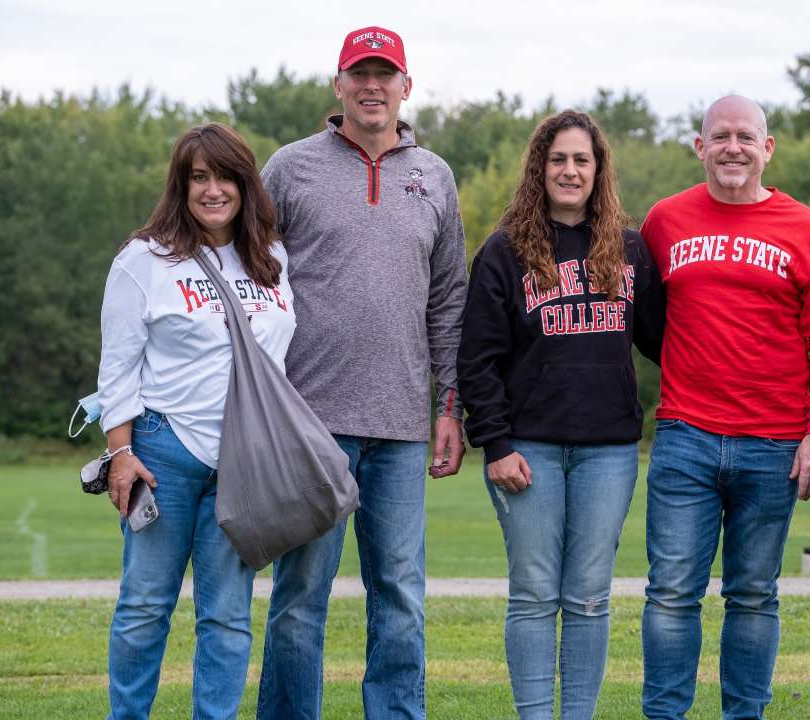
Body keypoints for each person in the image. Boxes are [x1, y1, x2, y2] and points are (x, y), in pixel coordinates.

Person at [255, 25, 467, 720]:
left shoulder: (434, 175)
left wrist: (450, 407)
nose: (372, 86)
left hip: (404, 428)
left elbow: (448, 298)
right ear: (338, 84)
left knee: (401, 596)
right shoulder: (289, 168)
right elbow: (249, 279)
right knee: (298, 600)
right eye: (359, 73)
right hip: (309, 424)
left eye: (386, 74)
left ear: (407, 86)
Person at [638, 95, 810, 720]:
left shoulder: (806, 228)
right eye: (720, 136)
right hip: (685, 436)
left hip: (775, 442)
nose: (733, 148)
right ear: (700, 147)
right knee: (672, 593)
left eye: (745, 137)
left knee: (754, 594)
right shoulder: (665, 221)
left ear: (768, 147)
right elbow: (647, 319)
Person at [457, 110, 664, 720]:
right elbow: (477, 358)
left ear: (598, 170)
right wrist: (494, 444)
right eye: (558, 160)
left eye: (581, 160)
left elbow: (663, 336)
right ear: (538, 169)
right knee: (532, 595)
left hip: (609, 450)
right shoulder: (505, 251)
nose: (569, 170)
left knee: (590, 598)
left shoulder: (627, 249)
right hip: (529, 448)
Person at [97, 122, 295, 720]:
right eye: (198, 178)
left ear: (246, 183)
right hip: (163, 455)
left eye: (225, 176)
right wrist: (120, 453)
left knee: (229, 617)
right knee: (144, 607)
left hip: (245, 463)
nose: (213, 190)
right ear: (180, 187)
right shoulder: (144, 260)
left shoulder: (272, 258)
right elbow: (118, 366)